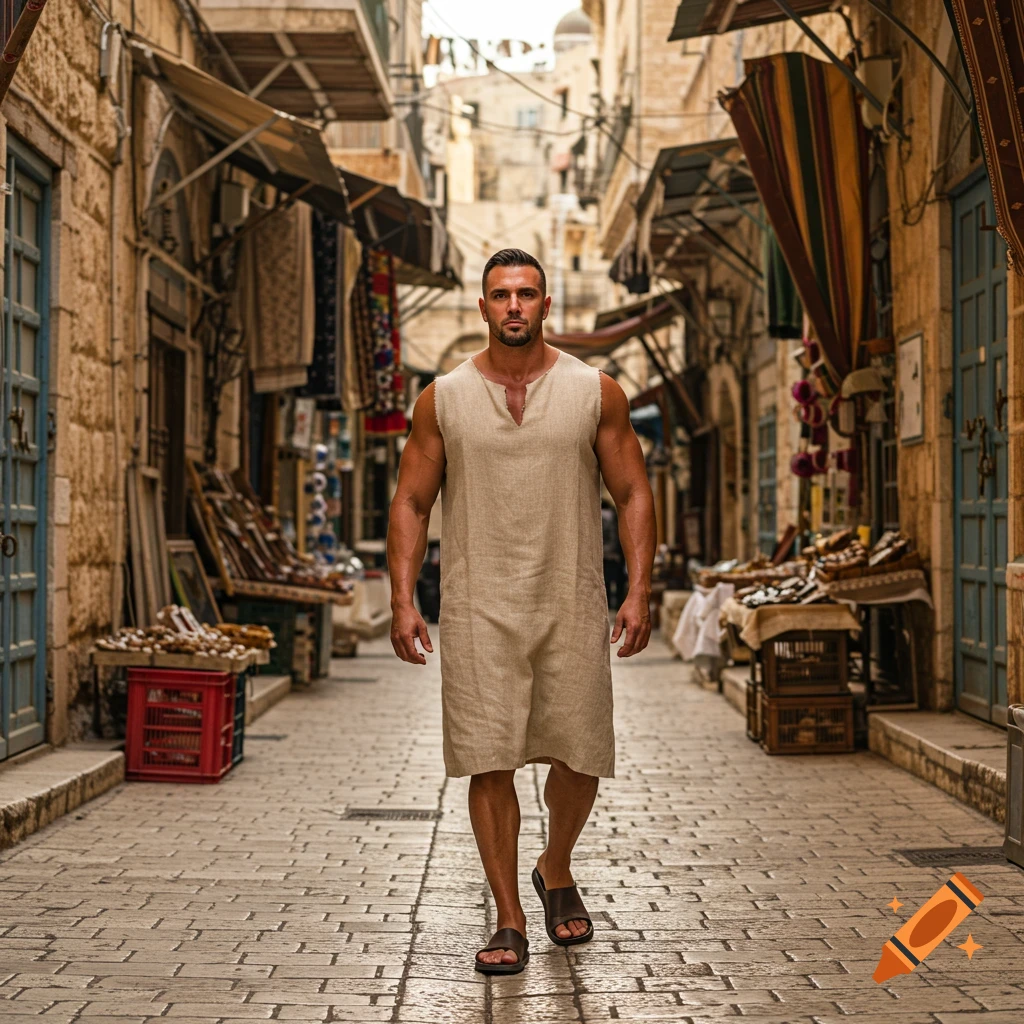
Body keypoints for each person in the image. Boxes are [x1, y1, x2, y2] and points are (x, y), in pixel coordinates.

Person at [386, 248, 656, 975]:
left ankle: (555, 867)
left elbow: (632, 491)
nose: (514, 307)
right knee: (489, 759)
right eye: (501, 295)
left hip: (571, 601)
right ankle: (509, 917)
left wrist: (638, 589)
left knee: (579, 753)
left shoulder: (594, 391)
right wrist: (403, 598)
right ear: (482, 307)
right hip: (476, 607)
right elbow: (411, 501)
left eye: (526, 295)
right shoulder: (441, 398)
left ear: (546, 305)